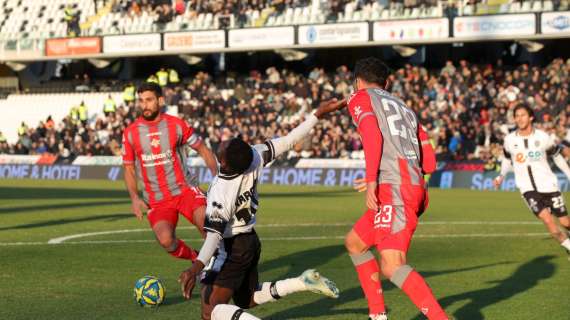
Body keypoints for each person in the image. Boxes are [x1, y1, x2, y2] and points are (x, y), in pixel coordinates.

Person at [178, 99, 346, 320]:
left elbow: (213, 237)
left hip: (232, 247)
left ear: (225, 163)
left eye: (225, 146)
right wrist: (317, 114)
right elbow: (290, 140)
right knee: (246, 299)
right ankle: (301, 282)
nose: (224, 142)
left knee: (210, 311)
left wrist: (196, 267)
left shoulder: (222, 190)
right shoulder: (254, 157)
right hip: (249, 241)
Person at [344, 57, 447, 320]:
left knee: (392, 265)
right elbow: (431, 163)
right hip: (410, 187)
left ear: (357, 81)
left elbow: (371, 133)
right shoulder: (405, 108)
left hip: (394, 189)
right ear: (386, 83)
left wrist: (372, 180)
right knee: (356, 243)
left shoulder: (360, 98)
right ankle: (377, 315)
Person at [122, 82, 218, 262]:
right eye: (141, 101)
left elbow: (203, 150)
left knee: (208, 226)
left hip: (185, 190)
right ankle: (197, 259)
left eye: (149, 100)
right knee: (166, 241)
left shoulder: (177, 125)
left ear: (160, 100)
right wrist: (134, 198)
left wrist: (218, 178)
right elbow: (128, 168)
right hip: (157, 199)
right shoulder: (130, 133)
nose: (145, 105)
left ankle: (219, 266)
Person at [494, 104, 570, 255]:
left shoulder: (543, 137)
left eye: (523, 115)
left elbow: (556, 156)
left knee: (565, 223)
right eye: (517, 116)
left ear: (530, 117)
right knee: (549, 223)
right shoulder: (509, 140)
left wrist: (569, 173)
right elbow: (507, 159)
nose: (519, 118)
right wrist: (501, 175)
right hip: (527, 189)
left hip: (549, 185)